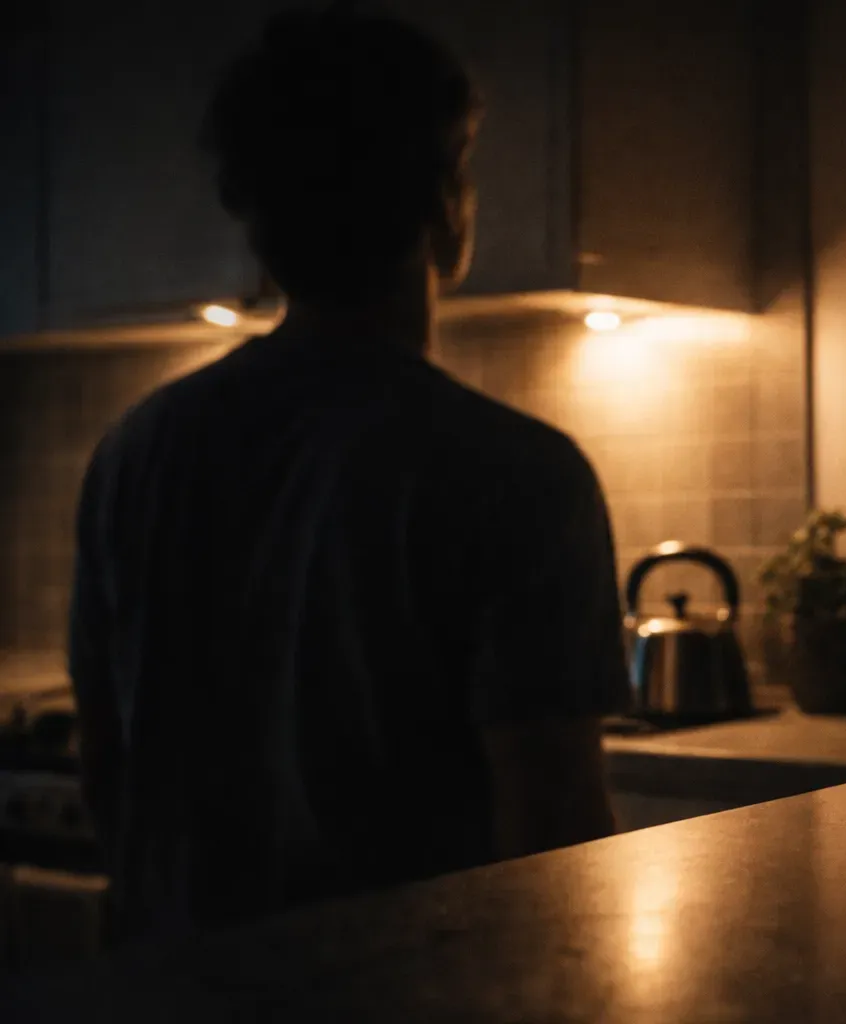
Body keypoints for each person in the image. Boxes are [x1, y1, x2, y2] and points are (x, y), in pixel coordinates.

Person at [66, 6, 630, 946]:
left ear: (259, 221)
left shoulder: (134, 453)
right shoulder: (518, 476)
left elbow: (107, 772)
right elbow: (555, 838)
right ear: (446, 206)